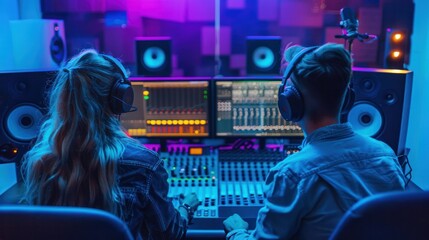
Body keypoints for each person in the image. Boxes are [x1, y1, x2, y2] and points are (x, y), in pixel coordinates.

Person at [223, 43, 406, 239]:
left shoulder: (292, 174)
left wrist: (237, 232)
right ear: (347, 100)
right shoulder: (386, 156)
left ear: (290, 102)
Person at [21, 49, 200, 240]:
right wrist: (186, 208)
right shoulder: (144, 164)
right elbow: (168, 235)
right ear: (121, 99)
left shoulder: (41, 160)